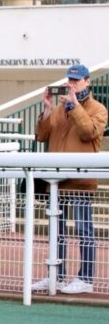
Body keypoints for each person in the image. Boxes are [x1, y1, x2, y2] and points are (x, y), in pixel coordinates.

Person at [32, 64, 107, 294]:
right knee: (57, 231)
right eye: (70, 80)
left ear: (87, 81)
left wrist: (74, 106)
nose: (72, 84)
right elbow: (42, 135)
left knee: (84, 230)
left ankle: (86, 278)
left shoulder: (98, 108)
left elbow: (89, 132)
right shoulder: (60, 107)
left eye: (76, 80)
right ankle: (57, 275)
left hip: (81, 180)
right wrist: (47, 109)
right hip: (56, 179)